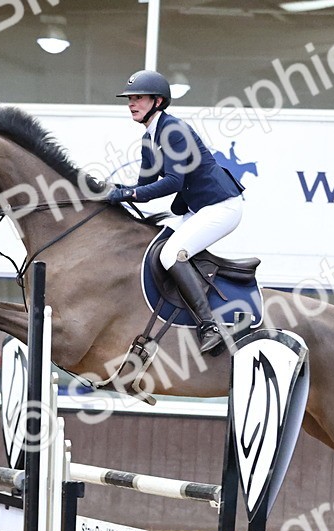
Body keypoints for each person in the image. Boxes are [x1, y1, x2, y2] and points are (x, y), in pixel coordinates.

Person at [105, 69, 244, 354]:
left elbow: (173, 182)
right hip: (198, 208)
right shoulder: (149, 139)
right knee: (158, 247)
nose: (131, 104)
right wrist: (108, 189)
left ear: (157, 101)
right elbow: (143, 187)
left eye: (139, 98)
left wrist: (126, 193)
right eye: (130, 98)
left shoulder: (173, 131)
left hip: (221, 206)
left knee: (171, 254)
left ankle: (210, 326)